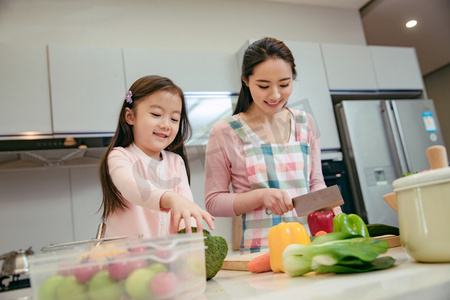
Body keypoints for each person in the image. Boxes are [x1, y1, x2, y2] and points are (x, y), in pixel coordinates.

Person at [204, 37, 341, 253]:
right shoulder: (225, 131)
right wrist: (261, 196)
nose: (275, 95)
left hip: (313, 245)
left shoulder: (305, 123)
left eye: (284, 84)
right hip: (262, 253)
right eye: (263, 85)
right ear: (246, 81)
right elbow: (213, 202)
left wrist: (331, 205)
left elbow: (316, 183)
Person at [99, 75, 215, 239]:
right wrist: (171, 198)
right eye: (156, 114)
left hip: (165, 260)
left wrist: (192, 237)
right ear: (130, 116)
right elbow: (133, 188)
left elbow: (184, 210)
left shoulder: (176, 162)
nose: (166, 125)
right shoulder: (119, 156)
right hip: (126, 260)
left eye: (174, 119)